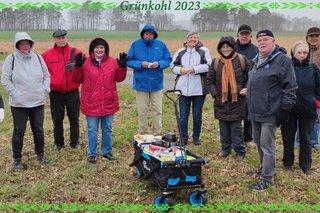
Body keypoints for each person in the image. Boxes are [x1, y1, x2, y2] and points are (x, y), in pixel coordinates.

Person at [247, 30, 297, 191]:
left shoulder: (281, 60)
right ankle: (264, 168)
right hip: (255, 110)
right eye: (259, 40)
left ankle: (267, 179)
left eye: (265, 39)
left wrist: (285, 108)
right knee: (258, 142)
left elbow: (291, 86)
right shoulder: (255, 60)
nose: (262, 42)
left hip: (271, 111)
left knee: (267, 145)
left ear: (273, 41)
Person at [72, 38, 127, 163]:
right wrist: (78, 67)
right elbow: (76, 79)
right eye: (97, 47)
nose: (99, 50)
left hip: (108, 101)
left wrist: (123, 68)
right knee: (92, 129)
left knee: (107, 128)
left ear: (105, 49)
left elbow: (119, 78)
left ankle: (107, 152)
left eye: (102, 47)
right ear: (92, 49)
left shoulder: (112, 62)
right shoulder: (85, 63)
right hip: (91, 102)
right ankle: (92, 153)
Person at [1, 32, 51, 170]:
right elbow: (5, 79)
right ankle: (17, 159)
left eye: (27, 43)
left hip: (37, 102)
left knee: (39, 130)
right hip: (19, 104)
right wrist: (14, 93)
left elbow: (47, 76)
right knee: (19, 131)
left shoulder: (38, 58)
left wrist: (45, 89)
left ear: (31, 44)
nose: (25, 46)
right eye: (22, 43)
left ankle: (40, 154)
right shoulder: (11, 59)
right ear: (17, 45)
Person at [206, 36, 250, 160]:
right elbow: (209, 81)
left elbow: (251, 75)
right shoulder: (215, 62)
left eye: (228, 46)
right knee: (223, 128)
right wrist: (216, 95)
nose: (225, 49)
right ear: (219, 48)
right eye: (223, 47)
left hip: (238, 100)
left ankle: (240, 151)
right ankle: (225, 149)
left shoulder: (241, 59)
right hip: (222, 101)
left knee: (236, 128)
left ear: (232, 47)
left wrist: (246, 88)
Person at [281, 41, 320, 175]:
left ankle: (306, 165)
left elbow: (318, 88)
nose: (302, 55)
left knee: (306, 138)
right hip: (289, 108)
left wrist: (316, 101)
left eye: (305, 53)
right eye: (299, 53)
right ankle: (287, 163)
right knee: (288, 137)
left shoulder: (314, 69)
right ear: (294, 53)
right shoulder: (287, 67)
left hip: (308, 108)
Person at [127, 25, 172, 135]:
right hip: (141, 84)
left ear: (154, 35)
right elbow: (128, 60)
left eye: (151, 34)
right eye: (146, 34)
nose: (148, 36)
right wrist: (140, 64)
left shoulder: (160, 45)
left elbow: (168, 59)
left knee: (157, 110)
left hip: (157, 84)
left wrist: (160, 64)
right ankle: (142, 133)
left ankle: (156, 133)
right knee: (142, 111)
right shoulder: (135, 44)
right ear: (143, 34)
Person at [42, 29, 82, 151]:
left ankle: (75, 142)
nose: (61, 40)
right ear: (54, 39)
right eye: (59, 38)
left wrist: (76, 66)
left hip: (73, 91)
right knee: (57, 119)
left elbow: (85, 68)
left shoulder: (77, 53)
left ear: (67, 38)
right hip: (56, 93)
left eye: (63, 37)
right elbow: (43, 74)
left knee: (74, 118)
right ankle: (58, 143)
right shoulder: (46, 55)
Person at [171, 31, 212, 145]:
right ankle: (183, 138)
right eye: (190, 37)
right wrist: (181, 70)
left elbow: (208, 65)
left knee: (197, 114)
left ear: (198, 39)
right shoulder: (180, 52)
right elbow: (173, 66)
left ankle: (196, 137)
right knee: (183, 115)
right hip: (182, 89)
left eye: (195, 37)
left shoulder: (204, 51)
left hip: (199, 89)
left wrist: (194, 69)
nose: (192, 39)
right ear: (187, 39)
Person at [234, 24, 259, 145]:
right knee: (235, 113)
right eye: (242, 34)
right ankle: (236, 137)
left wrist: (248, 86)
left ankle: (248, 138)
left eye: (247, 34)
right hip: (234, 85)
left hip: (251, 84)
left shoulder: (256, 50)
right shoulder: (231, 48)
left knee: (249, 112)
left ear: (250, 36)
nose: (244, 36)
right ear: (237, 35)